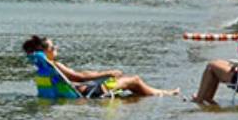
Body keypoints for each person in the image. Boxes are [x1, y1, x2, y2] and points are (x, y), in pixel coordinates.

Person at [22, 35, 178, 98]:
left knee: (128, 84)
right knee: (135, 80)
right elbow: (79, 77)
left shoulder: (43, 67)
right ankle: (164, 93)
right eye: (53, 47)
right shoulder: (55, 64)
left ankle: (155, 94)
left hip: (82, 90)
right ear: (45, 51)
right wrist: (108, 72)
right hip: (89, 92)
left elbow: (77, 76)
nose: (56, 49)